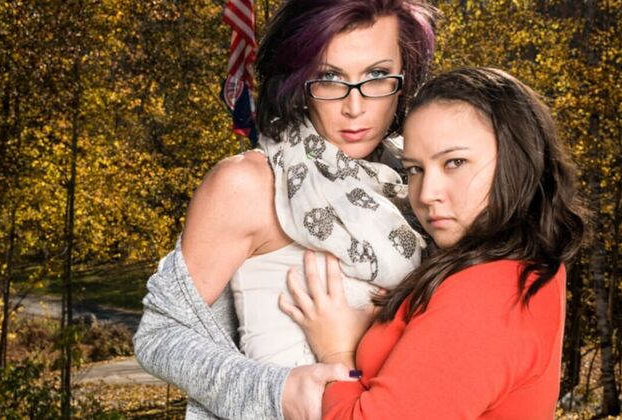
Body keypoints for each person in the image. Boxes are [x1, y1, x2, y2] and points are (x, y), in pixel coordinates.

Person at [134, 0, 438, 419]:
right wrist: (280, 392)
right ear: (298, 80)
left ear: (406, 76)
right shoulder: (250, 183)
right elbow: (159, 335)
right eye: (329, 78)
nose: (355, 107)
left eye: (376, 76)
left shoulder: (421, 180)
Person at [279, 67, 588, 419]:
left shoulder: (490, 291)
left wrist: (337, 353)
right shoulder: (518, 263)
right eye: (415, 169)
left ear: (516, 161)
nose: (426, 194)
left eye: (455, 162)